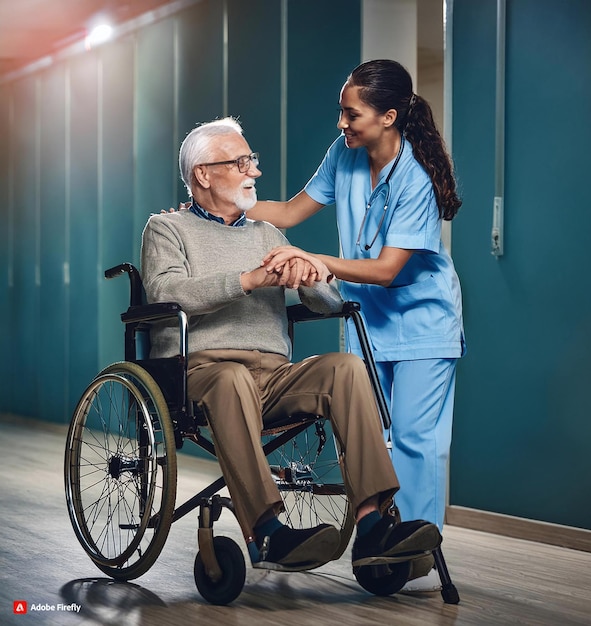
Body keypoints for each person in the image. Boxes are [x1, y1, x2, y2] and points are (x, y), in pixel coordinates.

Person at [141, 117, 442, 574]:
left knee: (344, 367)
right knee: (231, 378)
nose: (254, 172)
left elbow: (326, 304)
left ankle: (373, 524)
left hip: (274, 374)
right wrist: (249, 279)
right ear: (203, 174)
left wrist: (311, 273)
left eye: (252, 160)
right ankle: (266, 530)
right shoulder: (167, 230)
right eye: (241, 162)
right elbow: (167, 294)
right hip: (201, 371)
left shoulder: (265, 232)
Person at [248, 60, 465, 543]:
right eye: (341, 112)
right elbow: (288, 211)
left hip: (424, 324)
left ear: (388, 116)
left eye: (352, 114)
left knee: (415, 441)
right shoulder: (343, 154)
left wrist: (318, 259)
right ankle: (379, 540)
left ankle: (413, 550)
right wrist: (219, 205)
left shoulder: (415, 177)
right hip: (369, 322)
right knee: (373, 439)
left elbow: (389, 270)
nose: (342, 123)